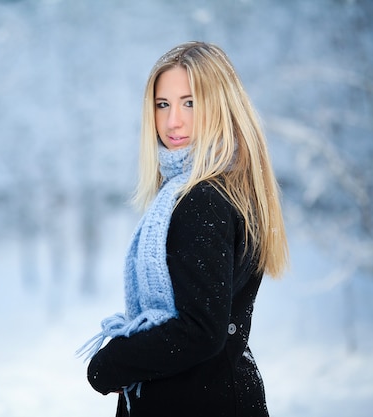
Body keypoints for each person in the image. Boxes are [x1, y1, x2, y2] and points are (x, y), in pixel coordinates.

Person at [77, 41, 289, 417]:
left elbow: (200, 330)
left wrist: (112, 363)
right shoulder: (227, 187)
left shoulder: (201, 199)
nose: (173, 120)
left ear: (220, 106)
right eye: (163, 104)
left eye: (190, 103)